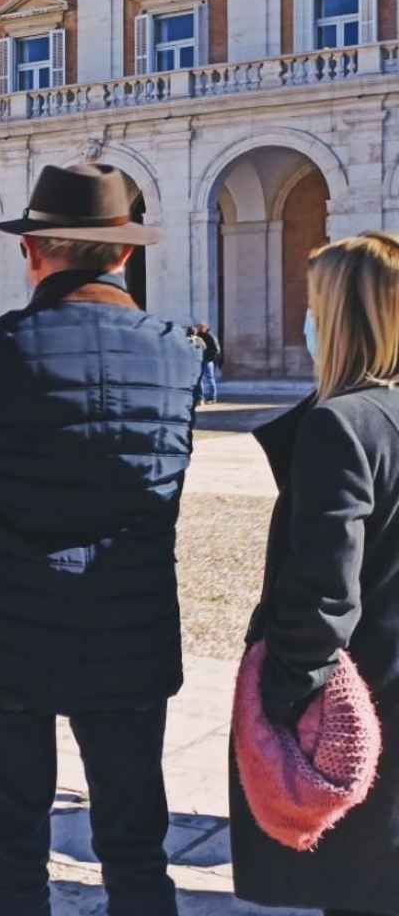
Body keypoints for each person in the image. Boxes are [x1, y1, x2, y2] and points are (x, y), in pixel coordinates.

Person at [0, 164, 201, 916]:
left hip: (3, 625)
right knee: (137, 845)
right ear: (122, 255)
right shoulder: (182, 354)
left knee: (13, 848)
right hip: (128, 623)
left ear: (35, 251)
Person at [230, 233, 399, 915]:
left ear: (338, 314)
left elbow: (325, 592)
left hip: (363, 694)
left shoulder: (343, 425)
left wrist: (284, 699)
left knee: (355, 888)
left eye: (313, 300)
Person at [197, 323, 222, 404]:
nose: (199, 329)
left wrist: (209, 358)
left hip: (207, 360)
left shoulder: (210, 336)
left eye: (201, 327)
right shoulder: (198, 335)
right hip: (200, 359)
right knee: (199, 379)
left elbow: (216, 350)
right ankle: (200, 397)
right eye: (198, 327)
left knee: (209, 378)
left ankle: (212, 398)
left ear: (205, 328)